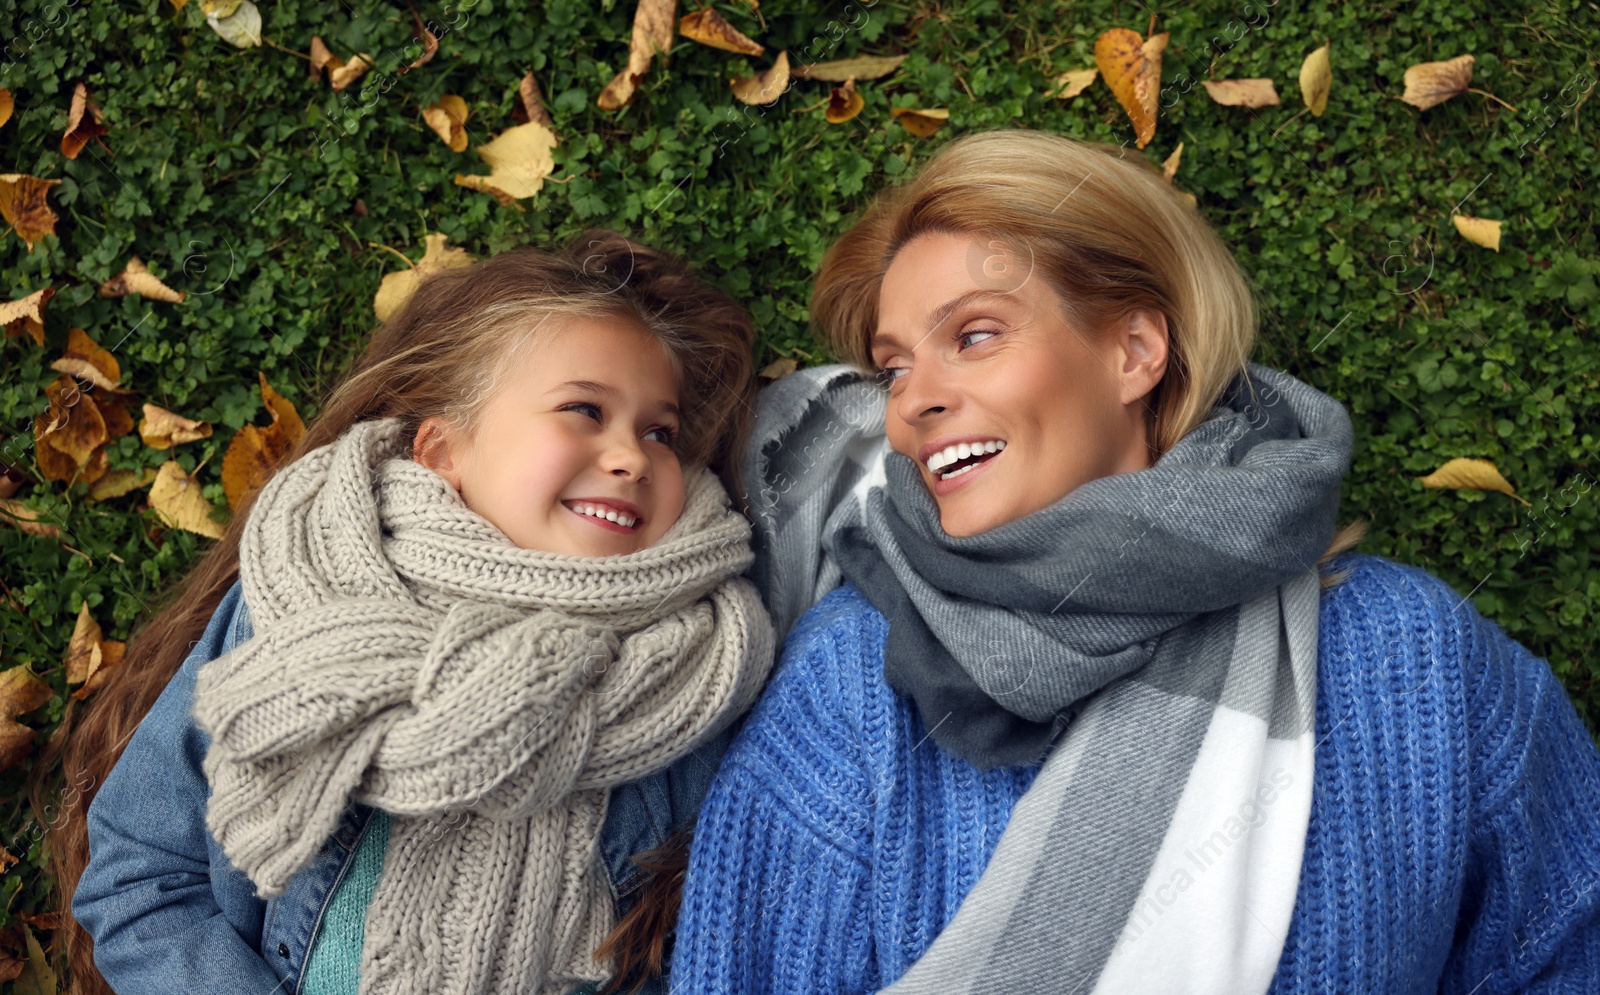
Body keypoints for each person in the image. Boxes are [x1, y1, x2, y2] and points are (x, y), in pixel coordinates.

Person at [670, 129, 1600, 993]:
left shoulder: (1417, 657)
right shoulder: (850, 677)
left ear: (1134, 350)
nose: (913, 404)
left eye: (975, 335)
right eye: (895, 368)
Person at [56, 231, 776, 995]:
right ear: (441, 451)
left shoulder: (693, 675)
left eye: (658, 430)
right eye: (584, 410)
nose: (632, 455)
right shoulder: (306, 604)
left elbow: (689, 954)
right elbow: (141, 878)